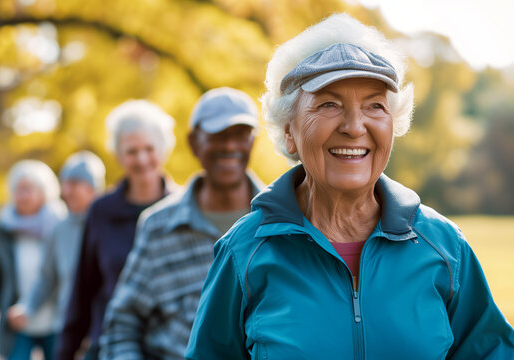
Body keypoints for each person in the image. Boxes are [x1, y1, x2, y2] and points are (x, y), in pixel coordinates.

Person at [186, 13, 514, 360]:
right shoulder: (243, 253)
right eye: (329, 104)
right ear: (288, 131)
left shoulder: (445, 247)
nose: (355, 126)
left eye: (374, 105)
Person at [99, 87, 264, 360]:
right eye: (218, 135)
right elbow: (122, 325)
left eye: (240, 135)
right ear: (193, 142)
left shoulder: (284, 221)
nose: (230, 146)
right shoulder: (159, 227)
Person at [55, 100, 178, 360]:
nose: (142, 159)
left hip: (169, 347)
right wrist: (65, 352)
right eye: (132, 151)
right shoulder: (101, 211)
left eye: (149, 148)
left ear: (164, 149)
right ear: (119, 155)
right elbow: (84, 289)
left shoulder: (183, 208)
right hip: (109, 345)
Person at [6, 151, 106, 350]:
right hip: (67, 329)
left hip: (103, 333)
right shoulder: (59, 229)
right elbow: (47, 277)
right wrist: (27, 307)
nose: (66, 191)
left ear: (92, 188)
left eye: (74, 184)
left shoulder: (109, 226)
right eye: (64, 184)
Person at [0, 160, 67, 359]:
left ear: (43, 192)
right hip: (18, 322)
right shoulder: (5, 230)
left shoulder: (60, 226)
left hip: (56, 320)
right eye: (19, 190)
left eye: (29, 189)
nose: (23, 196)